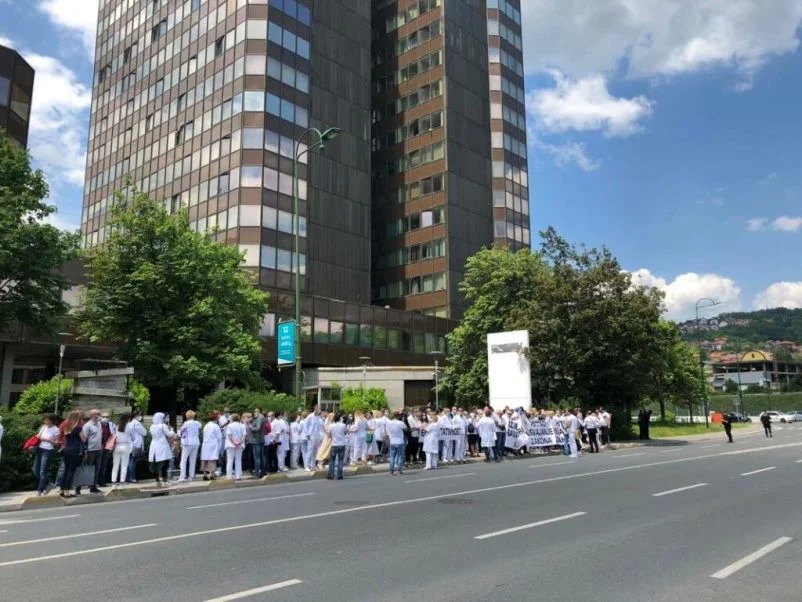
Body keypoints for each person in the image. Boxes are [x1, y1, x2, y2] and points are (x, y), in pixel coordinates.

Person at [32, 415, 60, 496]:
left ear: (51, 421)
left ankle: (40, 491)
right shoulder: (43, 427)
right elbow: (38, 436)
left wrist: (49, 440)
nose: (45, 422)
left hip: (48, 450)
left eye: (47, 420)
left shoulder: (56, 429)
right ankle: (49, 484)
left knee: (42, 471)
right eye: (45, 420)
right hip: (40, 449)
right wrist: (40, 437)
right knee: (35, 470)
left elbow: (57, 443)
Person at [59, 410, 84, 498]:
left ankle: (62, 489)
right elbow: (83, 439)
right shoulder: (78, 428)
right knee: (71, 471)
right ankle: (67, 491)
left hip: (66, 449)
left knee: (66, 470)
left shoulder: (67, 427)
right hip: (74, 450)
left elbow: (60, 436)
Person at [78, 409, 104, 494]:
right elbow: (84, 439)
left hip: (98, 449)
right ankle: (78, 488)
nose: (99, 416)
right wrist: (85, 450)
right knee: (87, 469)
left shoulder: (99, 424)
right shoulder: (87, 426)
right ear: (92, 415)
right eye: (97, 414)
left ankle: (93, 486)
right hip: (90, 450)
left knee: (97, 469)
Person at [148, 412, 175, 487]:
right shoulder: (163, 425)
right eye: (164, 418)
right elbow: (169, 434)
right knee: (165, 464)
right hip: (162, 445)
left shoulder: (152, 426)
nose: (165, 419)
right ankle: (165, 481)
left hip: (153, 446)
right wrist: (172, 430)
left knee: (155, 465)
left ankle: (157, 481)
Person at [109, 413, 134, 488]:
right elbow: (132, 436)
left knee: (115, 465)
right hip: (125, 446)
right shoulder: (129, 426)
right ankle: (122, 482)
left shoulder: (117, 426)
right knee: (124, 465)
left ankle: (113, 482)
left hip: (117, 446)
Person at [179, 410, 202, 482]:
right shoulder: (198, 423)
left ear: (187, 416)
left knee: (183, 460)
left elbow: (181, 431)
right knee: (192, 460)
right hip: (196, 443)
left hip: (188, 443)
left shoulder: (186, 423)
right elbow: (199, 428)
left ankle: (182, 477)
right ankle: (191, 476)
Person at [126, 411, 147, 483]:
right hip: (136, 444)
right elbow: (144, 432)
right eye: (140, 415)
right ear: (136, 416)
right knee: (133, 461)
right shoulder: (137, 423)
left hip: (131, 444)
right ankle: (132, 478)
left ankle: (128, 477)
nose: (140, 417)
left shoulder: (130, 423)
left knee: (129, 461)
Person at [201, 412, 223, 480]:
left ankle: (204, 474)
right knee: (212, 460)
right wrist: (219, 447)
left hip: (205, 444)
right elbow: (219, 437)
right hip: (213, 444)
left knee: (205, 459)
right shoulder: (215, 426)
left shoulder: (206, 426)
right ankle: (212, 474)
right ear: (215, 419)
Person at [326, 413, 348, 480]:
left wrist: (332, 436)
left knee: (332, 460)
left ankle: (331, 475)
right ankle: (339, 475)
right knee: (340, 460)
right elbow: (345, 432)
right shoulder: (343, 425)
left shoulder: (331, 426)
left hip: (334, 444)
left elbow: (329, 435)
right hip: (342, 444)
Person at [386, 411, 408, 475]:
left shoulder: (389, 423)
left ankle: (391, 471)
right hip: (400, 441)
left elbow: (387, 430)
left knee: (392, 456)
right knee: (400, 456)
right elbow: (406, 429)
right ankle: (400, 470)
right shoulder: (401, 423)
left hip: (392, 441)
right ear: (398, 416)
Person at [225, 413, 246, 479]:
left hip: (230, 445)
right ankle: (238, 476)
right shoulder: (242, 425)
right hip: (239, 445)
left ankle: (229, 476)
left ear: (232, 418)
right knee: (238, 460)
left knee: (230, 460)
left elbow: (229, 435)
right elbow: (244, 435)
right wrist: (240, 442)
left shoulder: (229, 426)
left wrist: (234, 442)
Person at [247, 408, 266, 477]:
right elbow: (250, 420)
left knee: (257, 457)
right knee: (262, 456)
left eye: (255, 411)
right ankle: (263, 471)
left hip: (256, 440)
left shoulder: (259, 418)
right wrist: (250, 420)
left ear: (259, 412)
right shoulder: (262, 417)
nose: (254, 413)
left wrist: (250, 427)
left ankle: (257, 473)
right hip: (261, 439)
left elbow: (257, 428)